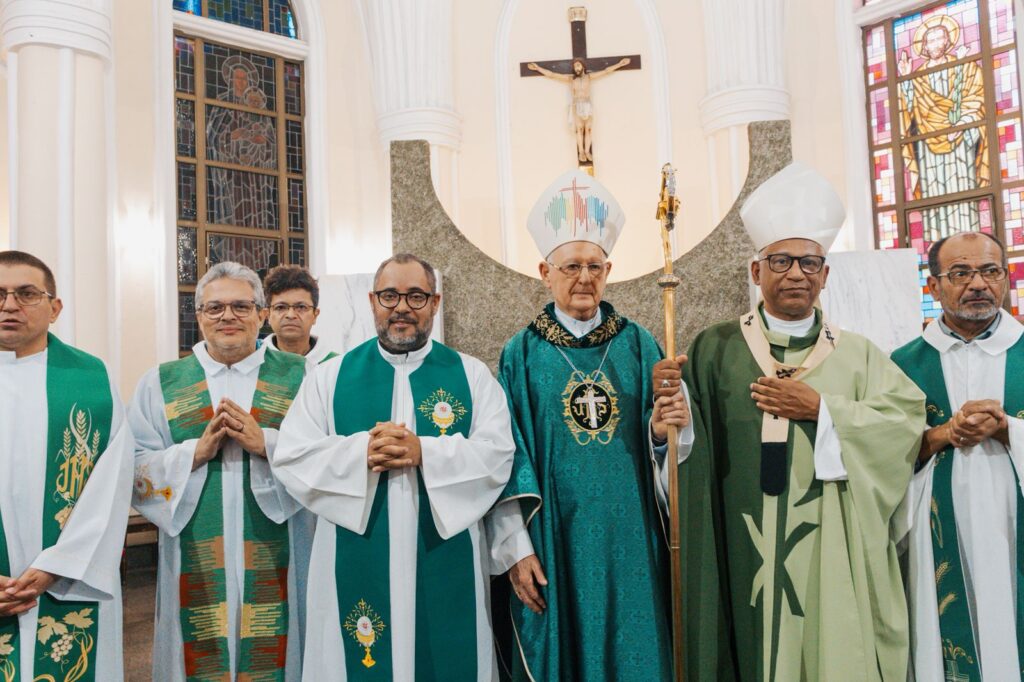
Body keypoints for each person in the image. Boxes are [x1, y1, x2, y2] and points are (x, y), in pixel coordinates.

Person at [669, 162, 926, 681]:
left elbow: (903, 427)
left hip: (830, 546)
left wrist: (822, 411)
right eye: (780, 260)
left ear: (826, 275)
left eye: (810, 263)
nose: (796, 274)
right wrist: (667, 425)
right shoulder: (715, 349)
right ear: (755, 271)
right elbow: (684, 451)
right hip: (739, 540)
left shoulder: (858, 355)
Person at [487, 169, 692, 681]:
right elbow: (508, 452)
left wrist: (665, 428)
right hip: (555, 539)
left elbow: (664, 442)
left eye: (595, 266)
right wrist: (516, 549)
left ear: (609, 269)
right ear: (544, 271)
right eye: (571, 266)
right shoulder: (522, 353)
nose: (584, 278)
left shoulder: (640, 343)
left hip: (632, 535)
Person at [273, 253, 515, 680]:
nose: (402, 307)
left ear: (435, 304)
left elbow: (497, 455)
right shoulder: (329, 378)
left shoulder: (472, 376)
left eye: (416, 296)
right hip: (355, 552)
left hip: (444, 553)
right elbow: (292, 456)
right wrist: (361, 453)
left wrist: (426, 452)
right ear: (372, 301)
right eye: (389, 295)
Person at [128, 261, 310, 681]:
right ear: (198, 317)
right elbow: (134, 467)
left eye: (241, 306)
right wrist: (193, 453)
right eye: (214, 308)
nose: (227, 316)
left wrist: (267, 444)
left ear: (262, 315)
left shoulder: (303, 377)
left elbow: (326, 455)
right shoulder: (161, 382)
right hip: (193, 548)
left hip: (284, 546)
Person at [891, 231, 1024, 680]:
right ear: (934, 286)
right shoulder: (903, 364)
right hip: (935, 532)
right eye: (961, 273)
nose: (978, 284)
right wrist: (943, 433)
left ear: (1006, 279)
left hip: (1013, 527)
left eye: (990, 271)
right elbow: (881, 451)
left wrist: (1008, 429)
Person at [0, 250, 134, 681]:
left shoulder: (91, 378)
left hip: (63, 578)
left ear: (54, 308)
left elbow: (111, 484)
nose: (9, 305)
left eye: (26, 294)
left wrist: (57, 565)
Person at [898, 14, 987, 238]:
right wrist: (906, 79)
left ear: (948, 41)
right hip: (929, 147)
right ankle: (938, 244)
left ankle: (968, 238)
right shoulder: (917, 77)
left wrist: (962, 123)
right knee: (935, 192)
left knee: (962, 189)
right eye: (931, 40)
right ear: (924, 46)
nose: (936, 44)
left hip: (959, 143)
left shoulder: (964, 68)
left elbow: (975, 97)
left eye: (941, 38)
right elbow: (910, 111)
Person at [527, 57, 630, 163]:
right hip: (577, 105)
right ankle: (581, 152)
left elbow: (605, 71)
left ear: (582, 66)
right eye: (575, 66)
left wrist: (620, 64)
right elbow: (552, 75)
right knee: (580, 129)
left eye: (578, 65)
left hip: (587, 105)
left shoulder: (589, 77)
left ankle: (587, 151)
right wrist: (538, 68)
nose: (576, 68)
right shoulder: (570, 78)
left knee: (589, 129)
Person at [263, 264, 336, 369]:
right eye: (281, 307)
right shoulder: (253, 361)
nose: (291, 315)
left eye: (301, 307)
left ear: (315, 315)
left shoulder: (335, 365)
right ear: (268, 315)